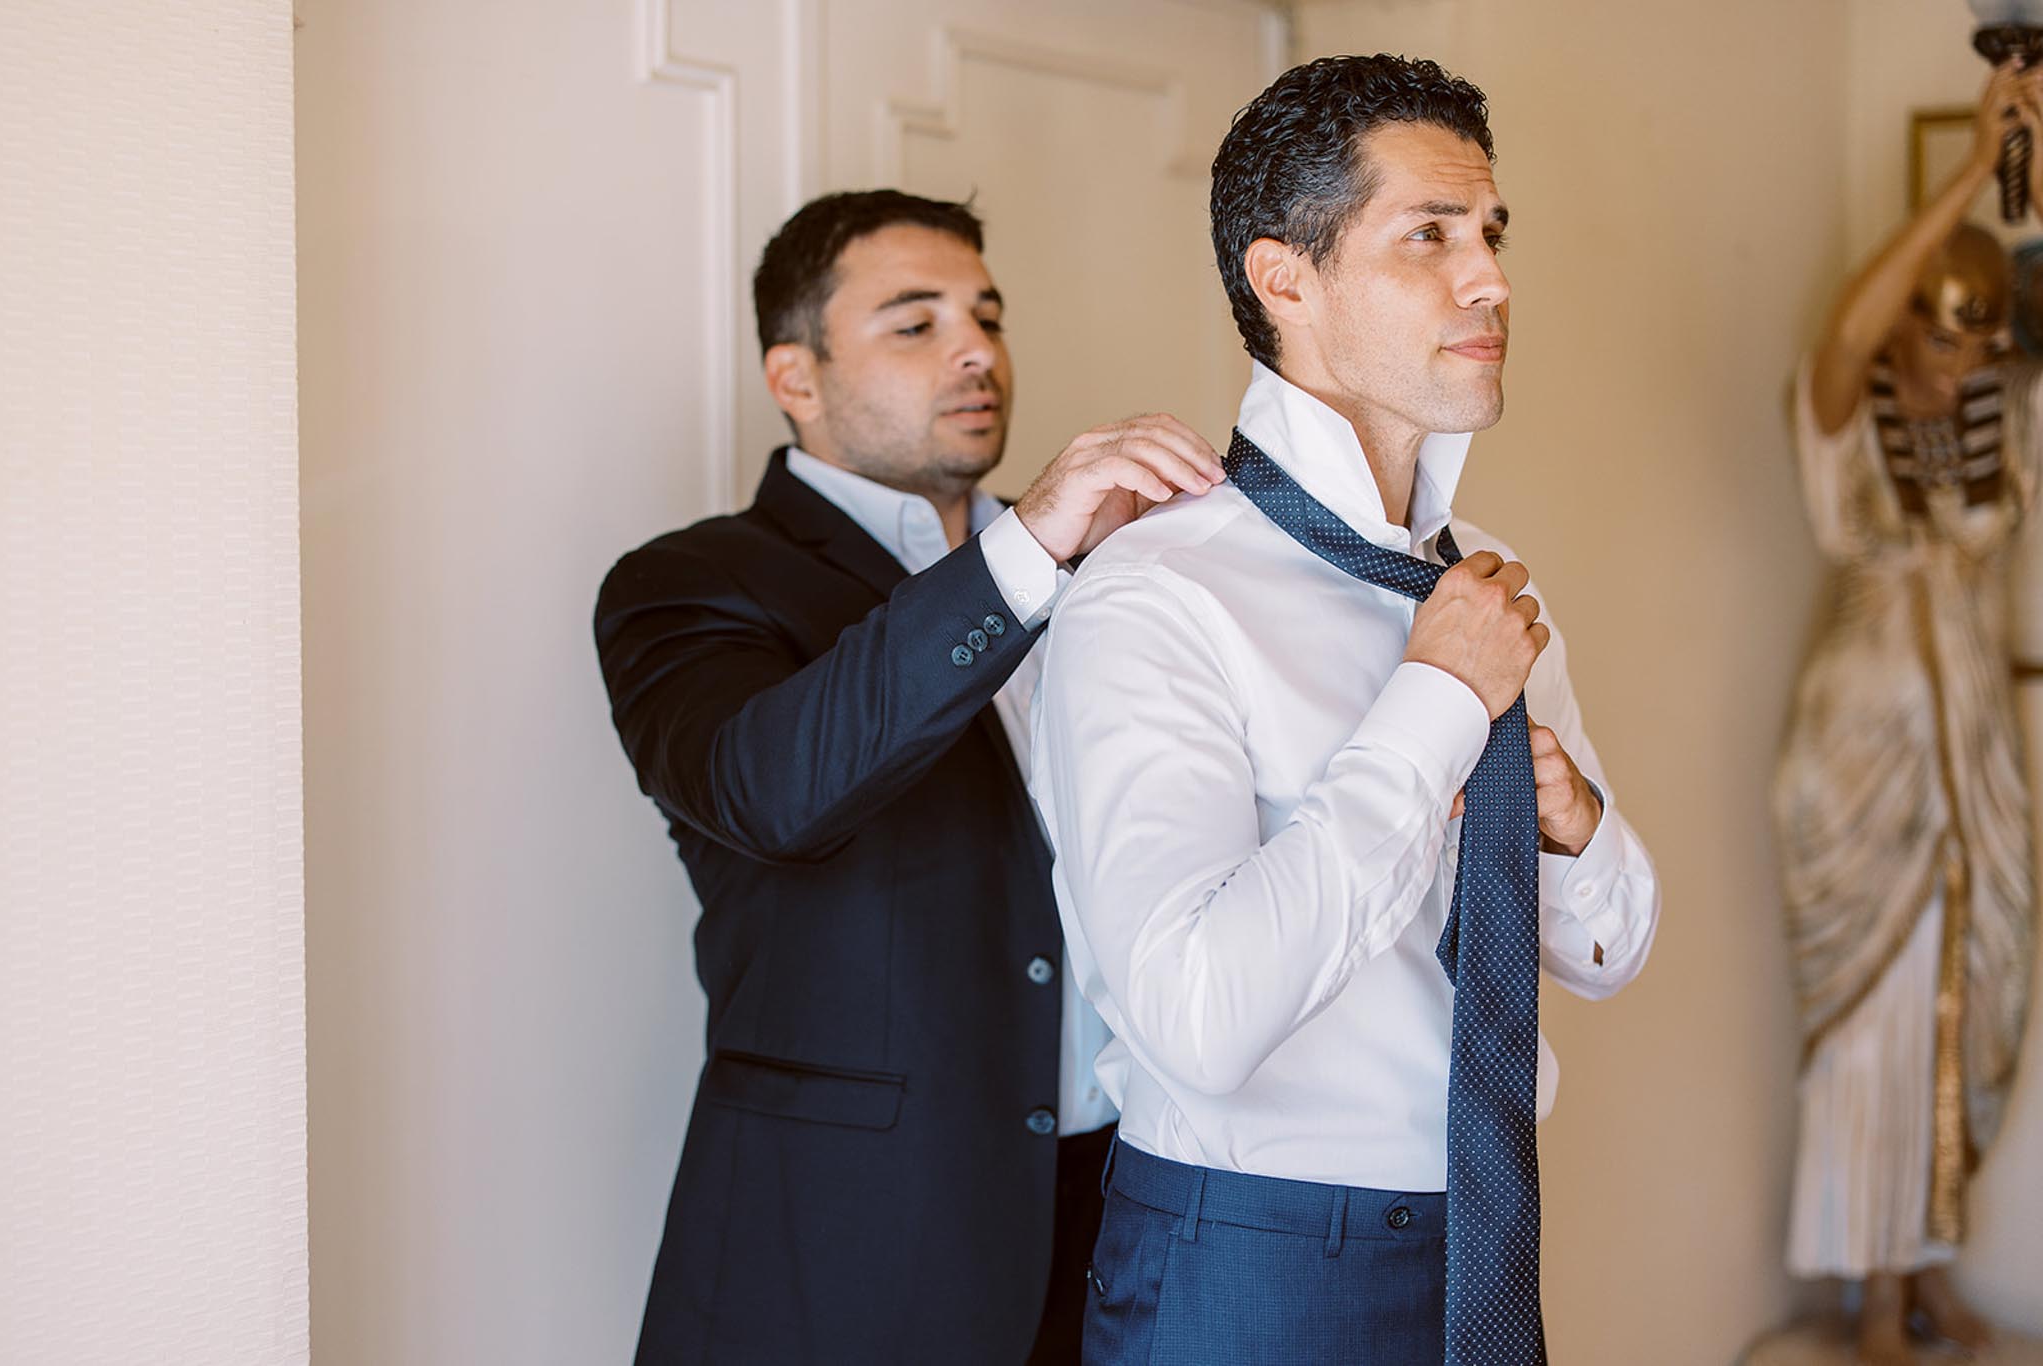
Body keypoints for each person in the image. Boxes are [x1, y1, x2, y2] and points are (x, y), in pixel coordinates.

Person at [1029, 55, 1660, 1363]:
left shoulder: (1481, 581)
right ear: (1285, 279)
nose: (1489, 280)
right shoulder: (1157, 593)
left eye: (1490, 234)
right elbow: (1200, 1015)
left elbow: (1607, 950)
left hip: (1478, 1243)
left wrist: (1571, 823)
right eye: (1428, 235)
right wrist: (1434, 704)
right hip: (1247, 1266)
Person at [594, 189, 1224, 1364]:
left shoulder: (1110, 568)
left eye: (986, 315)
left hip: (1127, 1220)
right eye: (915, 322)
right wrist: (1023, 549)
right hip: (852, 1249)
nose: (975, 349)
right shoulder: (687, 583)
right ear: (795, 375)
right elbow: (769, 788)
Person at [1776, 60, 2043, 1366]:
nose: (1960, 364)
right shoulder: (1843, 415)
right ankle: (1872, 1296)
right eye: (1940, 337)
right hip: (1862, 757)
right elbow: (1843, 336)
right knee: (1875, 1025)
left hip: (1974, 747)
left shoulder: (2004, 416)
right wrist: (1970, 174)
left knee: (1968, 999)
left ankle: (1926, 1267)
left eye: (1979, 344)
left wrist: (2026, 165)